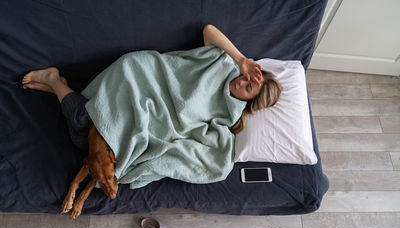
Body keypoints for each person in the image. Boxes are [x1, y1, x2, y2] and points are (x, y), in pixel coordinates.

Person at [22, 24, 282, 150]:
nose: (242, 81)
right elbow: (209, 30)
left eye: (247, 89)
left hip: (152, 110)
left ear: (248, 101)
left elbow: (193, 129)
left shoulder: (231, 115)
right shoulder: (224, 62)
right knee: (82, 121)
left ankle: (64, 90)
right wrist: (242, 60)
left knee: (83, 139)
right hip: (143, 74)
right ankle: (54, 79)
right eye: (248, 78)